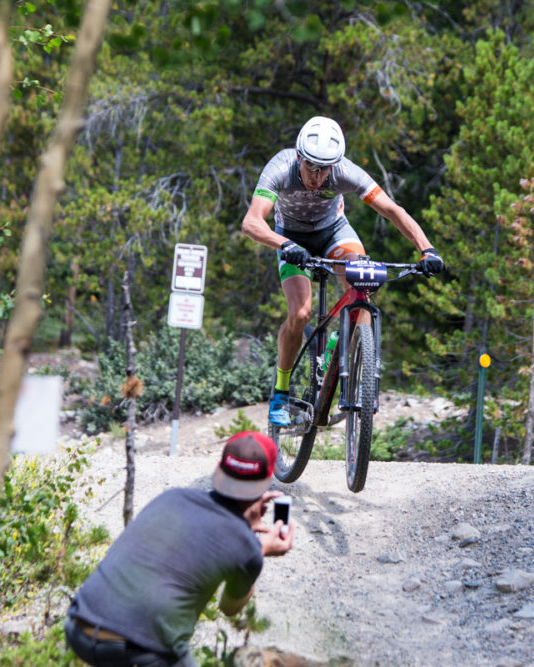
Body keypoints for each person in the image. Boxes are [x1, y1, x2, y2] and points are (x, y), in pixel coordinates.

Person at [241, 115, 445, 426]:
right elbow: (251, 222)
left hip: (334, 231)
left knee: (363, 282)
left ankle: (350, 356)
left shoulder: (344, 172)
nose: (319, 176)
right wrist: (283, 244)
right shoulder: (281, 167)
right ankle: (281, 391)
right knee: (300, 314)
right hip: (292, 237)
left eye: (326, 168)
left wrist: (426, 248)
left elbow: (392, 209)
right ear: (299, 157)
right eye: (311, 167)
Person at [64, 431, 294, 666]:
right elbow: (229, 607)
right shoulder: (247, 545)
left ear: (220, 469)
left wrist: (244, 526)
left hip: (79, 625)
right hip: (141, 649)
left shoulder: (173, 497)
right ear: (265, 483)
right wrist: (260, 549)